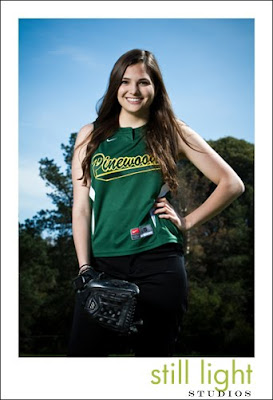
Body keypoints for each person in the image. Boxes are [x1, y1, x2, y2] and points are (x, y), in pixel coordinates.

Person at [68, 49, 245, 357]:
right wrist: (85, 268)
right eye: (125, 81)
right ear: (115, 86)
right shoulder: (90, 135)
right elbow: (81, 208)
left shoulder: (172, 131)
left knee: (154, 367)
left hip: (159, 264)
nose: (133, 90)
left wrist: (187, 222)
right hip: (104, 267)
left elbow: (232, 183)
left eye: (144, 82)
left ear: (156, 87)